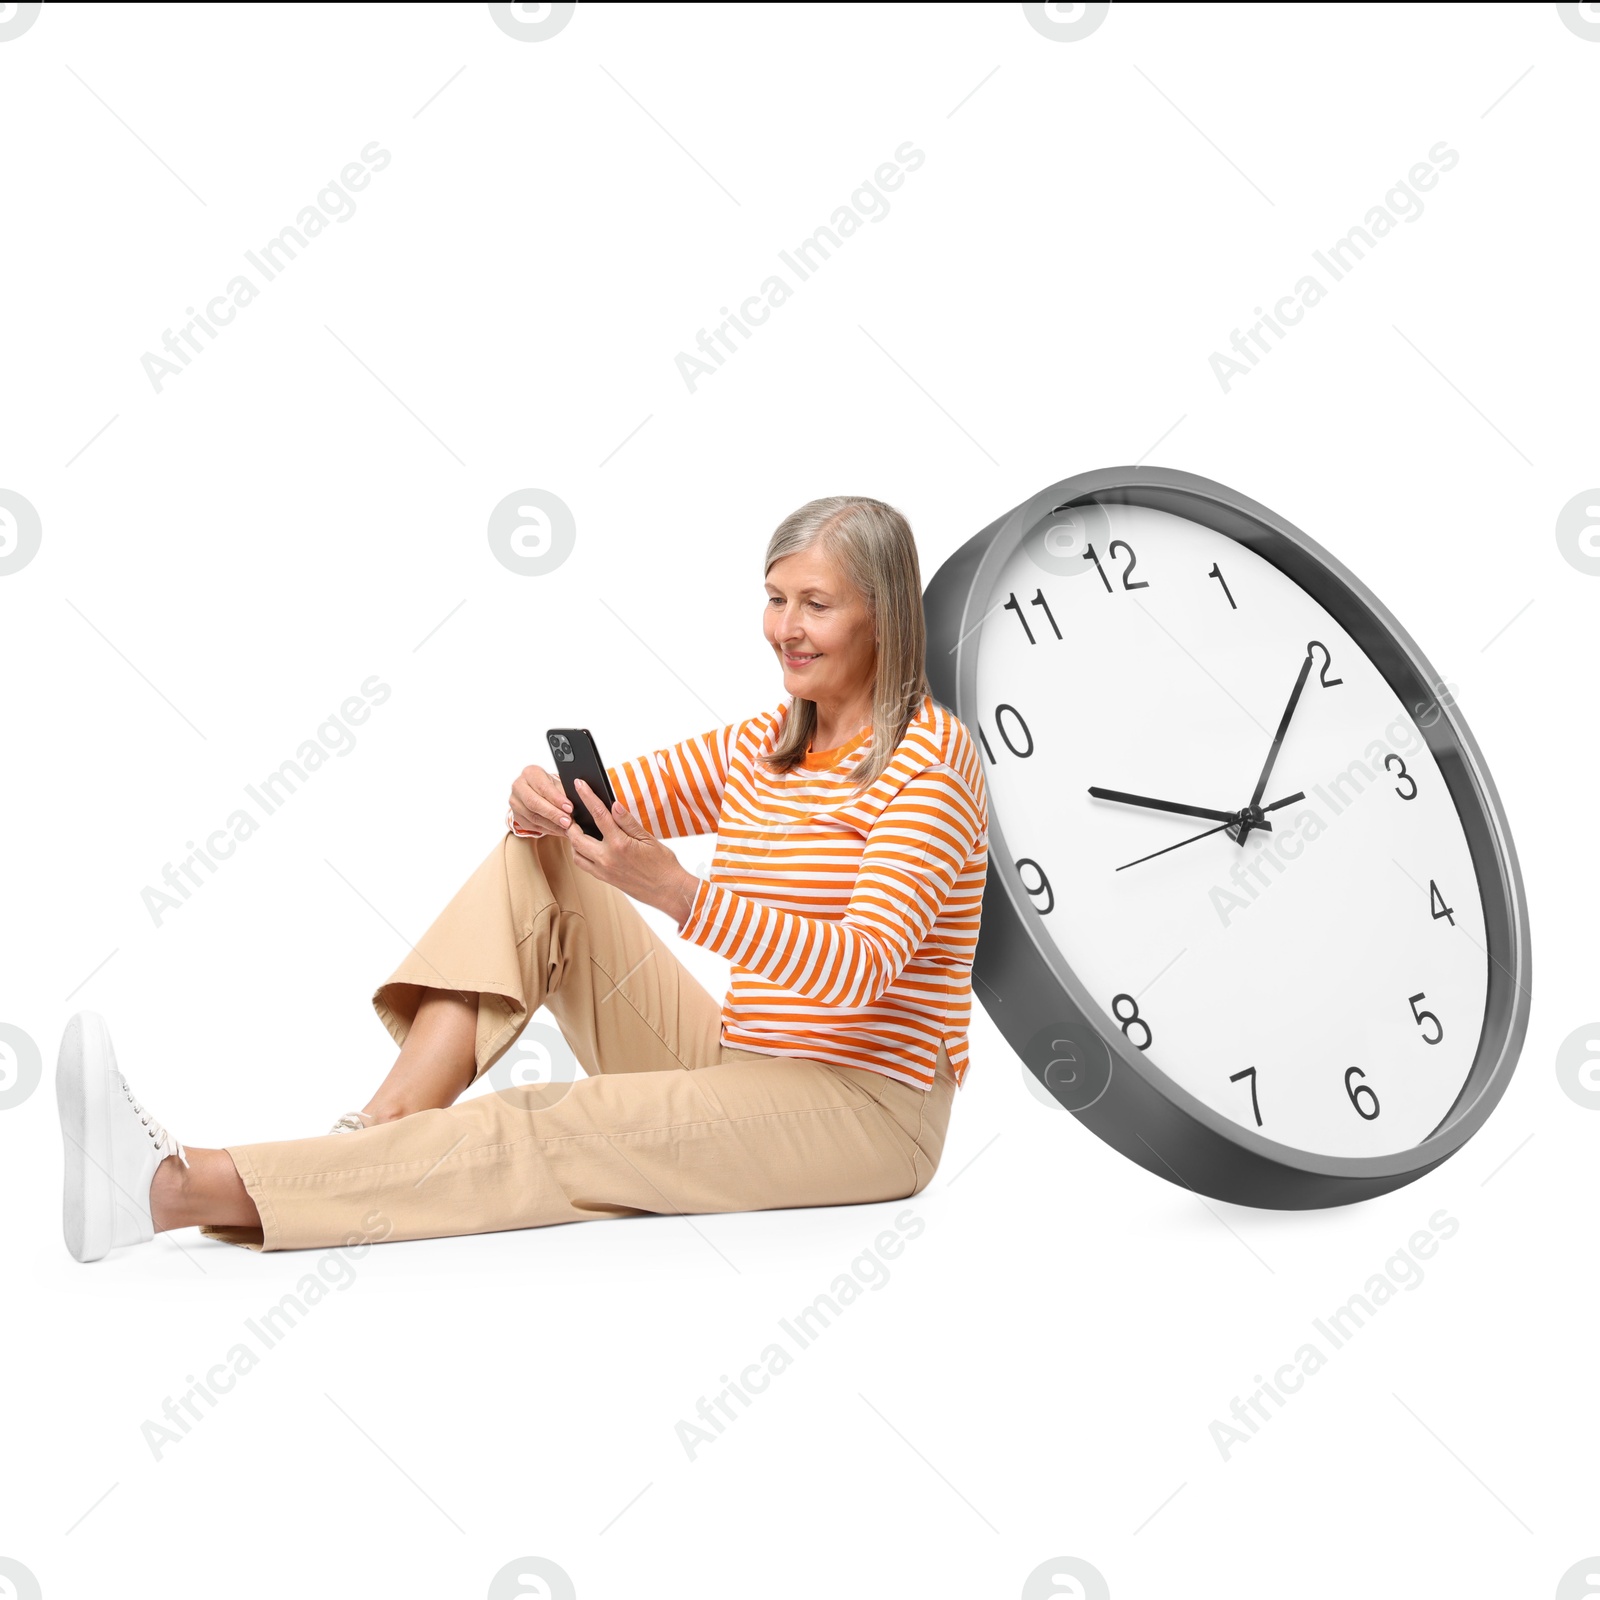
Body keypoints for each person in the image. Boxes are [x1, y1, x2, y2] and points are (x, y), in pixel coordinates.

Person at [55, 496, 990, 1262]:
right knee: (541, 863)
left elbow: (864, 968)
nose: (784, 629)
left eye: (815, 604)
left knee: (557, 1124)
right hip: (742, 1063)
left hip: (866, 1110)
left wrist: (679, 896)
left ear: (884, 612)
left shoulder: (930, 766)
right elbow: (611, 806)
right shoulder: (769, 745)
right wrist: (538, 803)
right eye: (774, 598)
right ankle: (373, 1138)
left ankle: (173, 1191)